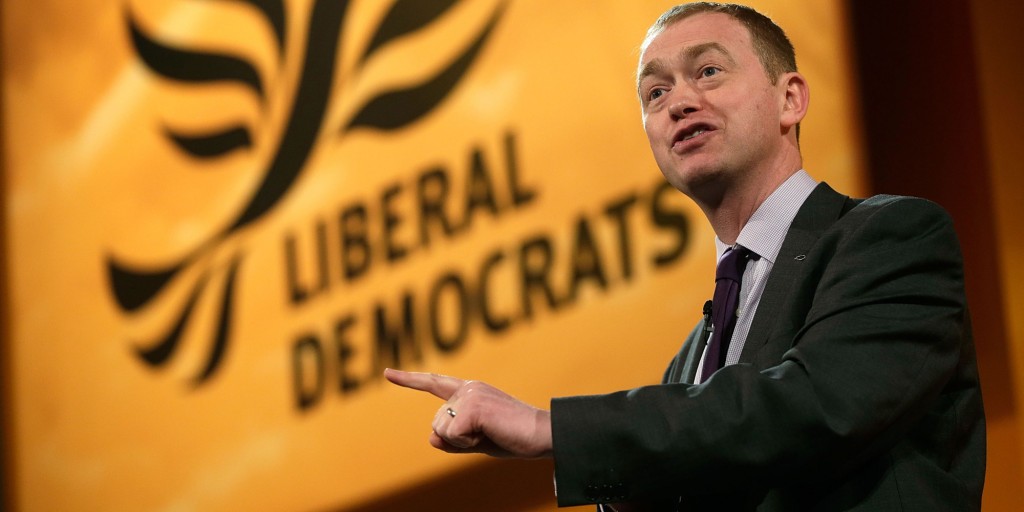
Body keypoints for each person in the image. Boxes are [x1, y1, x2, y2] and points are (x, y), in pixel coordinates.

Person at [385, 2, 986, 510]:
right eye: (656, 92)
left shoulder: (891, 236)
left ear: (790, 99)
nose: (678, 102)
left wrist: (550, 427)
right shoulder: (691, 361)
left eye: (708, 71)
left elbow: (816, 407)